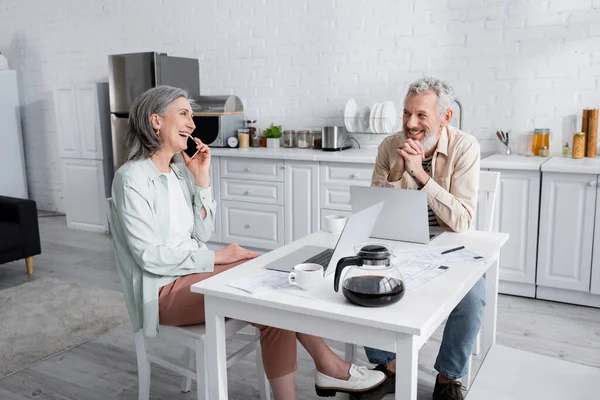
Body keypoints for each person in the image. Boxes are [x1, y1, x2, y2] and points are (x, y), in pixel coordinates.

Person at [109, 85, 386, 400]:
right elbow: (149, 257)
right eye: (184, 114)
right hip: (161, 293)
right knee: (270, 292)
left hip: (192, 278)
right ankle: (330, 367)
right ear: (155, 121)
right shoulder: (131, 179)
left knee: (274, 289)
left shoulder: (178, 172)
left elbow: (201, 232)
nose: (192, 124)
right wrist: (217, 258)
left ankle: (323, 370)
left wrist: (201, 179)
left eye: (191, 116)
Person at [368, 77, 482, 400]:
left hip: (450, 246)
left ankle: (447, 378)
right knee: (363, 275)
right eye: (406, 114)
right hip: (402, 243)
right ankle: (388, 368)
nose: (410, 123)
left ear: (445, 118)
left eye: (421, 115)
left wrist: (420, 174)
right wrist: (396, 173)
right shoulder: (389, 147)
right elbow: (374, 215)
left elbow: (462, 220)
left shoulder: (465, 147)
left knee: (474, 294)